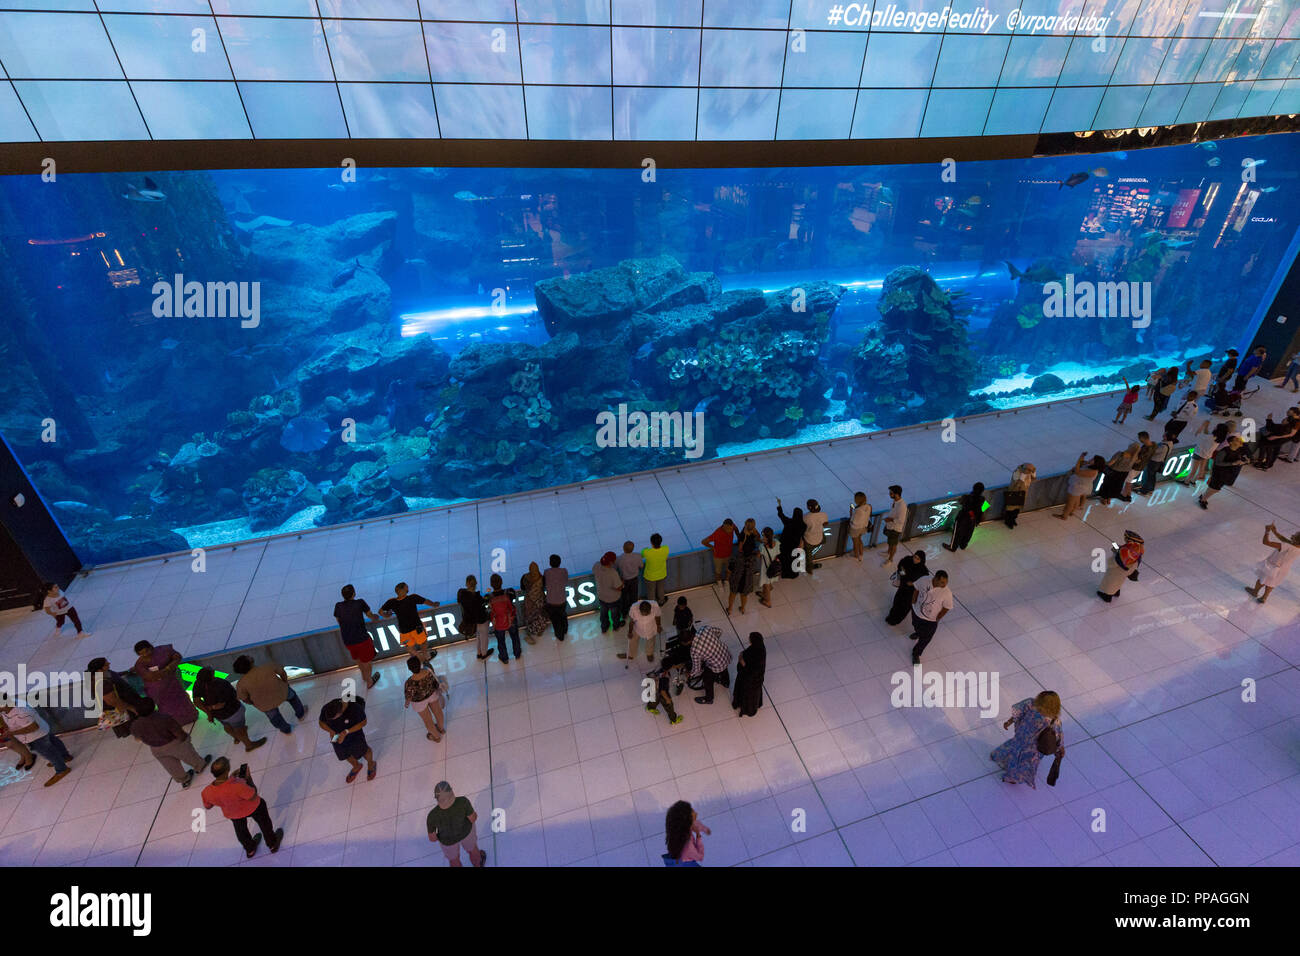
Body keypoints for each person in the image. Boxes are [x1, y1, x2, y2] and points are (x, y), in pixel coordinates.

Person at [202, 757, 283, 859]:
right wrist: (248, 778)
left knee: (241, 831)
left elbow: (208, 806)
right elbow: (253, 794)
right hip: (253, 807)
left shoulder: (207, 791)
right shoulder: (238, 785)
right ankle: (272, 843)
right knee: (264, 822)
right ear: (227, 769)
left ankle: (250, 849)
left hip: (233, 813)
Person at [129, 697, 211, 788]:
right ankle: (200, 766)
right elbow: (178, 732)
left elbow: (138, 738)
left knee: (171, 766)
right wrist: (185, 738)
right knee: (188, 755)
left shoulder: (135, 725)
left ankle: (184, 779)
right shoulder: (163, 718)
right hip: (173, 743)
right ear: (154, 706)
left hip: (156, 749)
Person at [990, 691, 1065, 790]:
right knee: (1022, 761)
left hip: (1027, 743)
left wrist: (1009, 722)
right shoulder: (1052, 720)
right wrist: (1060, 748)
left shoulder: (1033, 705)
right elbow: (1058, 737)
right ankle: (1012, 775)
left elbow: (1018, 713)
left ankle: (1010, 771)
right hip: (1028, 745)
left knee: (1018, 758)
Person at [0, 697, 73, 787]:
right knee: (53, 741)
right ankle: (65, 756)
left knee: (49, 753)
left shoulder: (20, 712)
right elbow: (4, 715)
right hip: (43, 730)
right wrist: (6, 727)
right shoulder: (9, 705)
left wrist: (12, 733)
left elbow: (33, 727)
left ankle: (62, 769)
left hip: (36, 736)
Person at [193, 666, 266, 753]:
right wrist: (211, 708)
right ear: (212, 675)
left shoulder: (198, 683)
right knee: (239, 728)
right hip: (232, 711)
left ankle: (236, 738)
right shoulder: (221, 684)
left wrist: (209, 713)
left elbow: (196, 701)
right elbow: (221, 704)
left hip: (218, 715)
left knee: (227, 725)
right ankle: (249, 745)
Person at [233, 655, 306, 734]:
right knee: (293, 698)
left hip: (264, 704)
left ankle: (286, 729)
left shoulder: (241, 684)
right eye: (247, 657)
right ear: (250, 663)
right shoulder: (268, 666)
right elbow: (282, 673)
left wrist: (253, 703)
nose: (249, 656)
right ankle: (300, 714)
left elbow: (245, 699)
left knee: (274, 717)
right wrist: (285, 683)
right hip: (282, 691)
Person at [131, 640, 198, 726]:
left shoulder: (163, 650)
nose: (145, 655)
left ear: (151, 647)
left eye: (146, 651)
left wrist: (169, 668)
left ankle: (190, 716)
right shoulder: (140, 664)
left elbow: (177, 657)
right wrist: (168, 669)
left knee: (181, 700)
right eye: (142, 654)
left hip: (173, 683)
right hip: (159, 690)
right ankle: (173, 723)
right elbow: (150, 676)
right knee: (167, 706)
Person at [379, 582, 440, 668]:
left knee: (410, 648)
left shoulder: (391, 602)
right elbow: (426, 602)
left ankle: (420, 658)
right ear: (403, 590)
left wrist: (387, 616)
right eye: (407, 587)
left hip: (404, 631)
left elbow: (380, 612)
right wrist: (434, 604)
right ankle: (425, 658)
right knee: (423, 643)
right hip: (417, 628)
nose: (408, 589)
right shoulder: (412, 598)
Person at [426, 781, 487, 867]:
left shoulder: (432, 816)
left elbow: (432, 838)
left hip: (447, 842)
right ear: (451, 792)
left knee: (454, 861)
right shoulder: (463, 802)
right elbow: (472, 819)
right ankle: (478, 863)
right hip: (467, 834)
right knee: (473, 850)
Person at [86, 657, 146, 740]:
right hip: (122, 707)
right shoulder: (102, 684)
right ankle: (139, 735)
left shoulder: (100, 674)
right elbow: (112, 701)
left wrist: (127, 671)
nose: (109, 664)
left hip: (123, 703)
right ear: (100, 669)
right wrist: (130, 707)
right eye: (106, 664)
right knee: (132, 723)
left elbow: (114, 675)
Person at [333, 584, 381, 689]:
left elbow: (338, 620)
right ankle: (369, 681)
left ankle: (364, 676)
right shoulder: (360, 603)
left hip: (348, 641)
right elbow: (370, 615)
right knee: (367, 661)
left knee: (358, 659)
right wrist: (376, 617)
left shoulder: (338, 606)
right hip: (362, 639)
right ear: (354, 593)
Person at [320, 696, 375, 783]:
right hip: (336, 736)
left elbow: (363, 722)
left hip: (353, 734)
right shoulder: (327, 708)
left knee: (364, 750)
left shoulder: (355, 708)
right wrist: (331, 731)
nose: (331, 721)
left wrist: (345, 732)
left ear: (341, 713)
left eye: (334, 719)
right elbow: (321, 723)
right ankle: (356, 766)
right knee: (343, 753)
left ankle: (371, 764)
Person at [1244, 523, 1300, 604]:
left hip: (1273, 566)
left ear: (1297, 540)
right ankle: (1264, 598)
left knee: (1262, 580)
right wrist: (1275, 531)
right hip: (1283, 569)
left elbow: (1266, 542)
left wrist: (1267, 532)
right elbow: (1284, 539)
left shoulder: (1286, 546)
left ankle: (1255, 591)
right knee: (1271, 583)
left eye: (1295, 535)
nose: (1292, 535)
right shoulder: (1297, 547)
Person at [909, 570, 952, 664]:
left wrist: (938, 618)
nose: (945, 584)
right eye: (942, 582)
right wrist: (913, 601)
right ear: (935, 579)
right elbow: (916, 588)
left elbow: (947, 607)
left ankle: (916, 653)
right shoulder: (924, 580)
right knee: (916, 625)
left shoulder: (946, 592)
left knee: (926, 638)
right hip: (917, 612)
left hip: (931, 620)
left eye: (946, 582)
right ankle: (918, 632)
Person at [404, 655, 447, 742]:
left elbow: (409, 696)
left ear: (409, 669)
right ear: (420, 664)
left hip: (419, 702)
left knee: (428, 720)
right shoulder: (428, 671)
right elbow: (435, 682)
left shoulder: (409, 682)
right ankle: (441, 729)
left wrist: (407, 703)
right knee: (438, 712)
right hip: (432, 695)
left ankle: (436, 737)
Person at [689, 620, 732, 704]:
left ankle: (709, 699)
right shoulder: (705, 629)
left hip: (716, 665)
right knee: (724, 667)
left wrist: (690, 674)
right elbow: (719, 631)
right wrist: (715, 642)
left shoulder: (694, 650)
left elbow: (697, 669)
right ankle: (725, 682)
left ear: (687, 642)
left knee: (707, 679)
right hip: (725, 654)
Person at [1199, 436, 1248, 509]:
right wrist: (1232, 464)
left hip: (1227, 473)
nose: (1239, 441)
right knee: (1215, 489)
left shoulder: (1238, 450)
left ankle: (1204, 496)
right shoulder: (1224, 451)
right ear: (1231, 443)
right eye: (1236, 440)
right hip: (1219, 473)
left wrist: (1242, 462)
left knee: (1213, 487)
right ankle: (1203, 499)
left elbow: (1237, 459)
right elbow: (1218, 463)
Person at [1097, 530, 1143, 603]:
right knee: (1119, 582)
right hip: (1124, 572)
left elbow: (1115, 561)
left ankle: (1107, 596)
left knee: (1110, 583)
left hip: (1116, 572)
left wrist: (1115, 552)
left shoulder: (1125, 553)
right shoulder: (1137, 551)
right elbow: (1123, 552)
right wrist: (1117, 548)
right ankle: (1116, 592)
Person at [885, 549, 929, 626]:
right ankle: (891, 617)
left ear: (921, 560)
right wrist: (903, 574)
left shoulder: (923, 570)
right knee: (897, 601)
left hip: (911, 592)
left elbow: (923, 581)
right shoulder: (908, 560)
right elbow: (900, 566)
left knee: (905, 606)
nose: (915, 559)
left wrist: (913, 583)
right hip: (903, 586)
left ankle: (897, 620)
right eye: (915, 557)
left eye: (918, 559)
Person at [725, 525, 761, 616]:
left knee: (732, 594)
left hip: (737, 578)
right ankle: (743, 608)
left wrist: (728, 578)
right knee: (744, 595)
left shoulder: (737, 557)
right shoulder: (754, 557)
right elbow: (758, 538)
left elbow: (730, 569)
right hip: (747, 579)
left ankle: (730, 609)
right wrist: (752, 529)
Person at [487, 573, 522, 663]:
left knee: (501, 641)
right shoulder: (509, 592)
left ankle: (504, 657)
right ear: (501, 582)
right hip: (510, 621)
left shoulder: (489, 598)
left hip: (498, 623)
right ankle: (517, 654)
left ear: (491, 585)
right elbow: (513, 599)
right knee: (515, 637)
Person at [1182, 421, 1230, 486]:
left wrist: (1203, 425)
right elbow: (1207, 435)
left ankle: (1186, 482)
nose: (1214, 427)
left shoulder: (1209, 437)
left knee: (1193, 470)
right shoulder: (1219, 439)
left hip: (1198, 454)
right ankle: (1193, 481)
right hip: (1206, 456)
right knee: (1201, 471)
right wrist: (1206, 427)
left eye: (1216, 426)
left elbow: (1197, 434)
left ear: (1217, 429)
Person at [663, 800, 709, 866]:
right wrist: (698, 835)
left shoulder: (675, 835)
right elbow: (699, 856)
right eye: (692, 812)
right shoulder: (687, 841)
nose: (696, 814)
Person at [731, 632, 766, 718]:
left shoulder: (752, 652)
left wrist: (742, 662)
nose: (749, 640)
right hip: (757, 680)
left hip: (747, 680)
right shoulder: (761, 648)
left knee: (745, 694)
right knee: (754, 695)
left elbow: (751, 670)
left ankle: (746, 708)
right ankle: (754, 706)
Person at [1058, 454, 1103, 519]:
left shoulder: (1092, 471)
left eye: (1093, 459)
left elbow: (1077, 471)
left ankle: (1064, 516)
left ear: (1096, 463)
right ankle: (1072, 512)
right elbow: (1082, 463)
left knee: (1070, 502)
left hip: (1077, 487)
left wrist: (1079, 460)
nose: (1091, 459)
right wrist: (1081, 457)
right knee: (1076, 500)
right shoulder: (1090, 466)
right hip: (1079, 486)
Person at [458, 575, 493, 661]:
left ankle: (479, 653)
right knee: (483, 636)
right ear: (476, 583)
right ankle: (484, 654)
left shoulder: (461, 593)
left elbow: (460, 602)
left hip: (470, 622)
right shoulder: (477, 597)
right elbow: (483, 606)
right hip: (481, 620)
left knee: (478, 636)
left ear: (466, 583)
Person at [944, 482, 985, 551]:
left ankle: (952, 547)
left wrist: (971, 515)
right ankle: (963, 545)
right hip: (973, 520)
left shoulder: (967, 497)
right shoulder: (983, 499)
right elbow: (983, 509)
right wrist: (978, 519)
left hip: (963, 518)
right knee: (968, 532)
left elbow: (964, 505)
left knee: (957, 532)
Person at [620, 599, 662, 667]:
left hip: (651, 628)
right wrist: (630, 632)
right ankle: (631, 654)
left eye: (647, 613)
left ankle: (649, 653)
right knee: (633, 640)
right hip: (637, 628)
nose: (645, 615)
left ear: (650, 609)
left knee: (651, 641)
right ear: (639, 610)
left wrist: (659, 626)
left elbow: (657, 616)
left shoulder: (655, 606)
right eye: (643, 614)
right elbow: (631, 622)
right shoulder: (634, 608)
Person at [592, 551, 624, 633]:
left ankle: (604, 626)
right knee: (615, 614)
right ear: (611, 562)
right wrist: (623, 582)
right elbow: (619, 587)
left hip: (601, 596)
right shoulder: (613, 573)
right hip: (613, 599)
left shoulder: (596, 565)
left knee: (603, 612)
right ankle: (616, 626)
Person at [1135, 431, 1174, 496]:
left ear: (1166, 437)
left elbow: (1153, 452)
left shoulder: (1163, 446)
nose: (1163, 435)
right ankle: (1151, 489)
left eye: (1164, 435)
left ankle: (1144, 491)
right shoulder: (1171, 443)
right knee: (1152, 476)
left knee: (1148, 476)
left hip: (1154, 462)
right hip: (1159, 462)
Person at [518, 562, 548, 645]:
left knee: (530, 616)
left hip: (529, 601)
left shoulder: (524, 577)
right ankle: (539, 630)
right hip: (540, 601)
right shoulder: (541, 578)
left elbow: (522, 588)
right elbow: (544, 586)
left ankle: (531, 631)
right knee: (540, 616)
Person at [701, 519, 737, 587]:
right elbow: (704, 541)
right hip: (718, 556)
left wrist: (739, 539)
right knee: (718, 572)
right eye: (728, 529)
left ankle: (727, 581)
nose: (730, 530)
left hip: (728, 554)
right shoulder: (717, 533)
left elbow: (736, 530)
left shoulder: (733, 526)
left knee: (729, 570)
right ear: (724, 527)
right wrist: (713, 547)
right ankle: (719, 583)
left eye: (731, 528)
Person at [615, 540, 643, 624]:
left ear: (623, 548)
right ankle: (634, 613)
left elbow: (616, 569)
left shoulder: (619, 559)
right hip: (634, 579)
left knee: (624, 597)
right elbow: (641, 566)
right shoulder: (638, 556)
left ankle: (624, 613)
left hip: (624, 581)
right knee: (634, 596)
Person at [775, 499, 805, 578]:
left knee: (785, 560)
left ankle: (785, 574)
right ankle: (793, 573)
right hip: (794, 546)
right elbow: (802, 536)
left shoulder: (788, 521)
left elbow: (780, 515)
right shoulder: (803, 525)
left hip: (784, 544)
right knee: (792, 560)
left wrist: (779, 505)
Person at [543, 554, 570, 640]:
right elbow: (566, 581)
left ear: (550, 563)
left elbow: (545, 583)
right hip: (562, 600)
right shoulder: (564, 571)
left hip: (551, 601)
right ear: (560, 562)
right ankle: (565, 629)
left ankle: (560, 635)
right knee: (563, 615)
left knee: (555, 620)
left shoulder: (546, 572)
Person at [802, 499, 830, 574]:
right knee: (811, 552)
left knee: (808, 555)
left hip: (809, 540)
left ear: (808, 507)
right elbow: (826, 523)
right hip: (819, 538)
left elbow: (802, 527)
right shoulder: (823, 514)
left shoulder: (806, 517)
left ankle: (809, 568)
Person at [881, 485, 907, 567]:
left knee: (894, 544)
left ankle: (890, 559)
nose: (889, 494)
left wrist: (890, 519)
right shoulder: (895, 501)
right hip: (891, 527)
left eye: (891, 493)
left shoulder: (902, 506)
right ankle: (888, 552)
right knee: (890, 542)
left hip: (895, 529)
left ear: (896, 494)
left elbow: (901, 520)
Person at [1002, 464, 1035, 529]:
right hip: (1015, 493)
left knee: (1017, 509)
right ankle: (1008, 521)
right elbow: (1016, 485)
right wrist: (1022, 478)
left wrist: (1033, 473)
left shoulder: (1028, 474)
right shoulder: (1018, 473)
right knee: (1011, 509)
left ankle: (1013, 519)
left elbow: (1032, 479)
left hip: (1022, 494)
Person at [642, 534, 670, 605]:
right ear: (661, 541)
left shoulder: (647, 552)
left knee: (651, 591)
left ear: (651, 542)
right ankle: (661, 601)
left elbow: (642, 554)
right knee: (661, 589)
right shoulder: (666, 549)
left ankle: (652, 605)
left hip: (650, 576)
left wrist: (646, 549)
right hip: (662, 574)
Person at [758, 526, 781, 607]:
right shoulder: (777, 542)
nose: (762, 537)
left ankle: (767, 601)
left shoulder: (762, 547)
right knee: (769, 581)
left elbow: (758, 555)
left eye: (763, 535)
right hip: (775, 566)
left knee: (766, 583)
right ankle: (766, 592)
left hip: (766, 569)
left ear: (766, 537)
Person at [848, 491, 873, 561]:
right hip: (863, 528)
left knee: (855, 543)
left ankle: (856, 555)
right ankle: (861, 554)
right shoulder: (868, 506)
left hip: (855, 529)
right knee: (859, 540)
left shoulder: (858, 510)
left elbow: (852, 520)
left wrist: (851, 511)